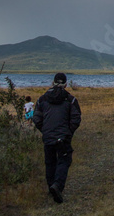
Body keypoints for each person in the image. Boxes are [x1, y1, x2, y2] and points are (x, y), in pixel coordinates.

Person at [32, 72, 81, 204]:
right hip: (63, 137)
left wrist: (45, 130)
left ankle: (51, 188)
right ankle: (57, 186)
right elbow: (76, 118)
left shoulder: (42, 99)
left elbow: (36, 118)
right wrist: (68, 132)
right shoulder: (70, 100)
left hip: (48, 136)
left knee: (50, 162)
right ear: (65, 84)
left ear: (52, 83)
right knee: (64, 160)